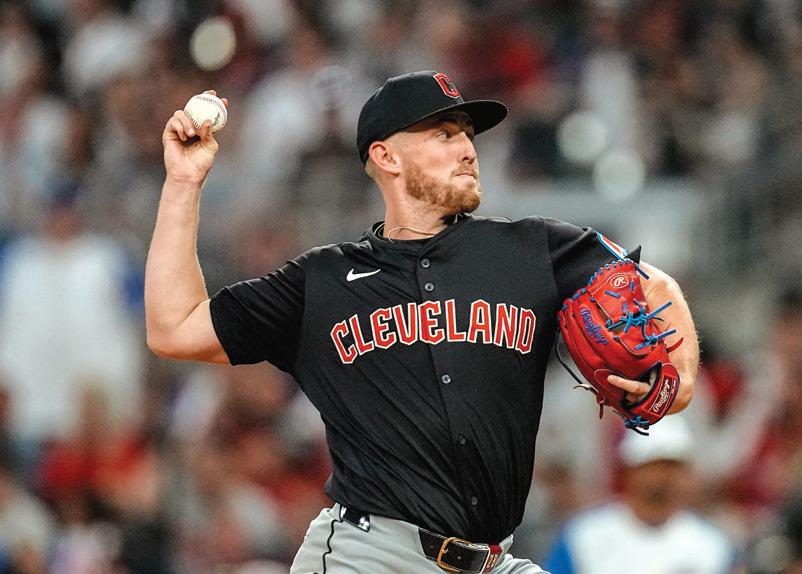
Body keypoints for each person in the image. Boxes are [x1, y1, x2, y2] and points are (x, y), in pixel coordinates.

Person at [145, 71, 699, 573]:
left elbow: (653, 283)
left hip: (492, 561)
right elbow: (176, 328)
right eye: (444, 134)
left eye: (467, 135)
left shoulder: (533, 249)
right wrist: (183, 184)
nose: (467, 149)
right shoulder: (322, 282)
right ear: (386, 156)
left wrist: (682, 381)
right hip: (369, 557)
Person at [544, 416, 739, 574]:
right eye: (657, 465)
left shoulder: (712, 545)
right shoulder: (584, 535)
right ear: (631, 470)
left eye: (675, 466)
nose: (667, 476)